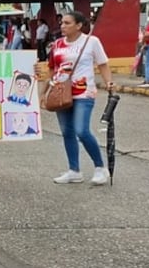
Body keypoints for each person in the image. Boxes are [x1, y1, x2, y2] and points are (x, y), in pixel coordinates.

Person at [45, 11, 113, 185]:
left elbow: (103, 64)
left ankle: (100, 168)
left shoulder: (92, 42)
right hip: (61, 91)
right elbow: (52, 69)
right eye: (62, 23)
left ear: (79, 25)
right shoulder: (57, 44)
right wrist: (43, 93)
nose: (62, 26)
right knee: (67, 132)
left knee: (81, 130)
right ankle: (74, 171)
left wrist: (109, 82)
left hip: (83, 92)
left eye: (67, 23)